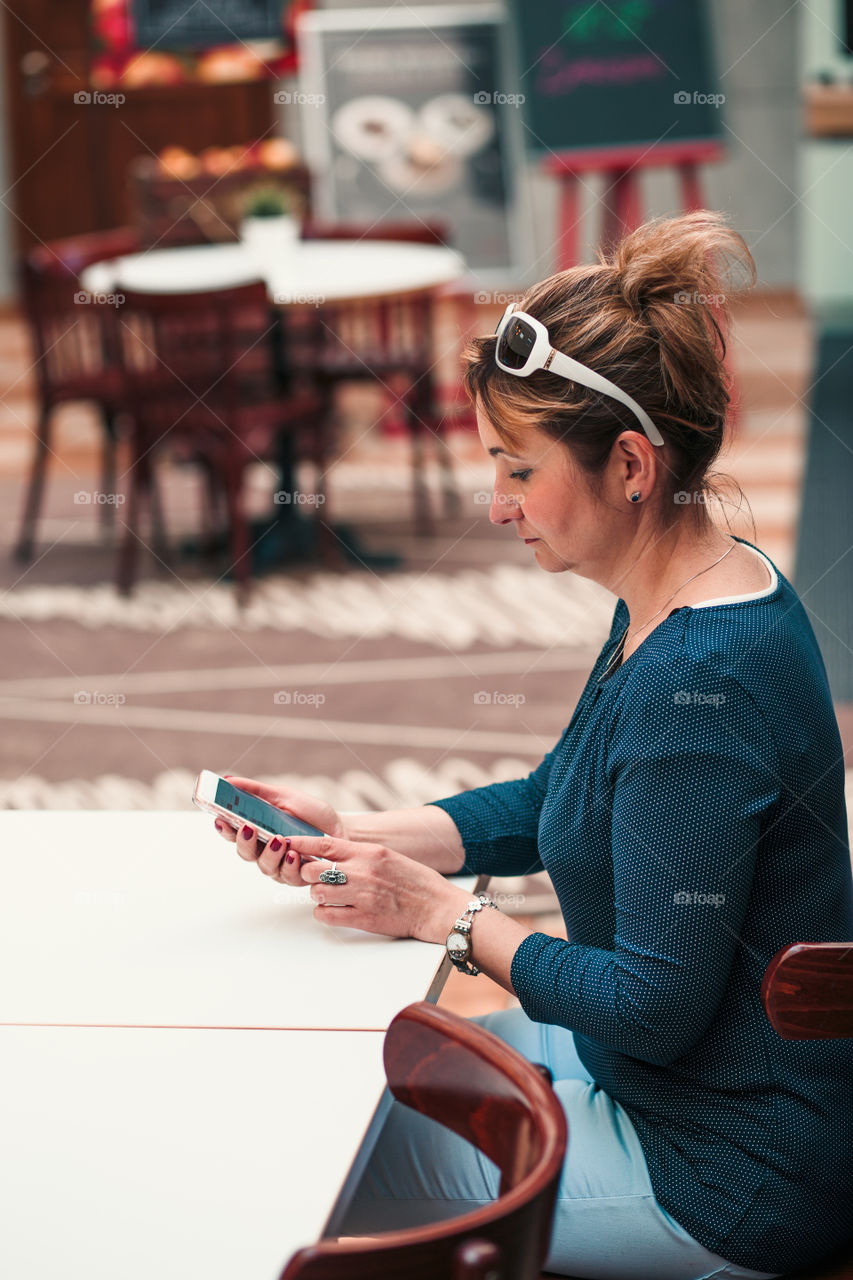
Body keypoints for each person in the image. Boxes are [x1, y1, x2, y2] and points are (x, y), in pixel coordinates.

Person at [214, 211, 853, 1279]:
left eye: (517, 469)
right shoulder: (692, 585)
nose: (496, 503)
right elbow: (565, 788)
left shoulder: (698, 680)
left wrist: (443, 917)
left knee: (333, 1174)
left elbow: (650, 1004)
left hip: (726, 1165)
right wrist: (360, 833)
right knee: (373, 1080)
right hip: (662, 1084)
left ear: (632, 463)